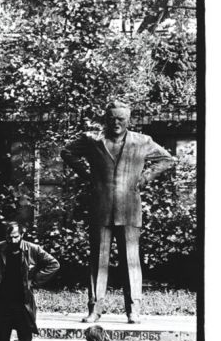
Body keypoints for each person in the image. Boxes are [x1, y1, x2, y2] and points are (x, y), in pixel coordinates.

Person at [61, 99, 174, 323]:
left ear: (128, 120)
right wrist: (87, 175)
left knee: (131, 260)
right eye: (111, 118)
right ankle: (94, 309)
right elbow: (67, 152)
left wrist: (145, 178)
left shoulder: (142, 141)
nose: (116, 123)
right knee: (98, 261)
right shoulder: (92, 140)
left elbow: (167, 159)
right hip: (100, 208)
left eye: (121, 119)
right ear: (105, 119)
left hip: (130, 209)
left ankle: (134, 310)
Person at [0, 221, 60, 341]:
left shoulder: (33, 249)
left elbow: (54, 264)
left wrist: (35, 281)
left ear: (22, 234)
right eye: (9, 237)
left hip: (23, 304)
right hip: (3, 303)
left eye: (15, 237)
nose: (12, 240)